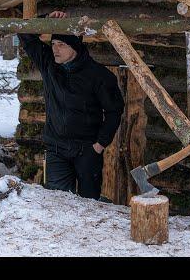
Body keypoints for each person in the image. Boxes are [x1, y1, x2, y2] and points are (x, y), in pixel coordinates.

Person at [17, 10, 124, 200]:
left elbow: (114, 110)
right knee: (58, 204)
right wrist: (47, 21)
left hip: (87, 151)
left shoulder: (98, 75)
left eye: (62, 45)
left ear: (74, 47)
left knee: (88, 204)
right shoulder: (49, 65)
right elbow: (25, 34)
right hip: (56, 149)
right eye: (53, 44)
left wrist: (99, 145)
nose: (55, 49)